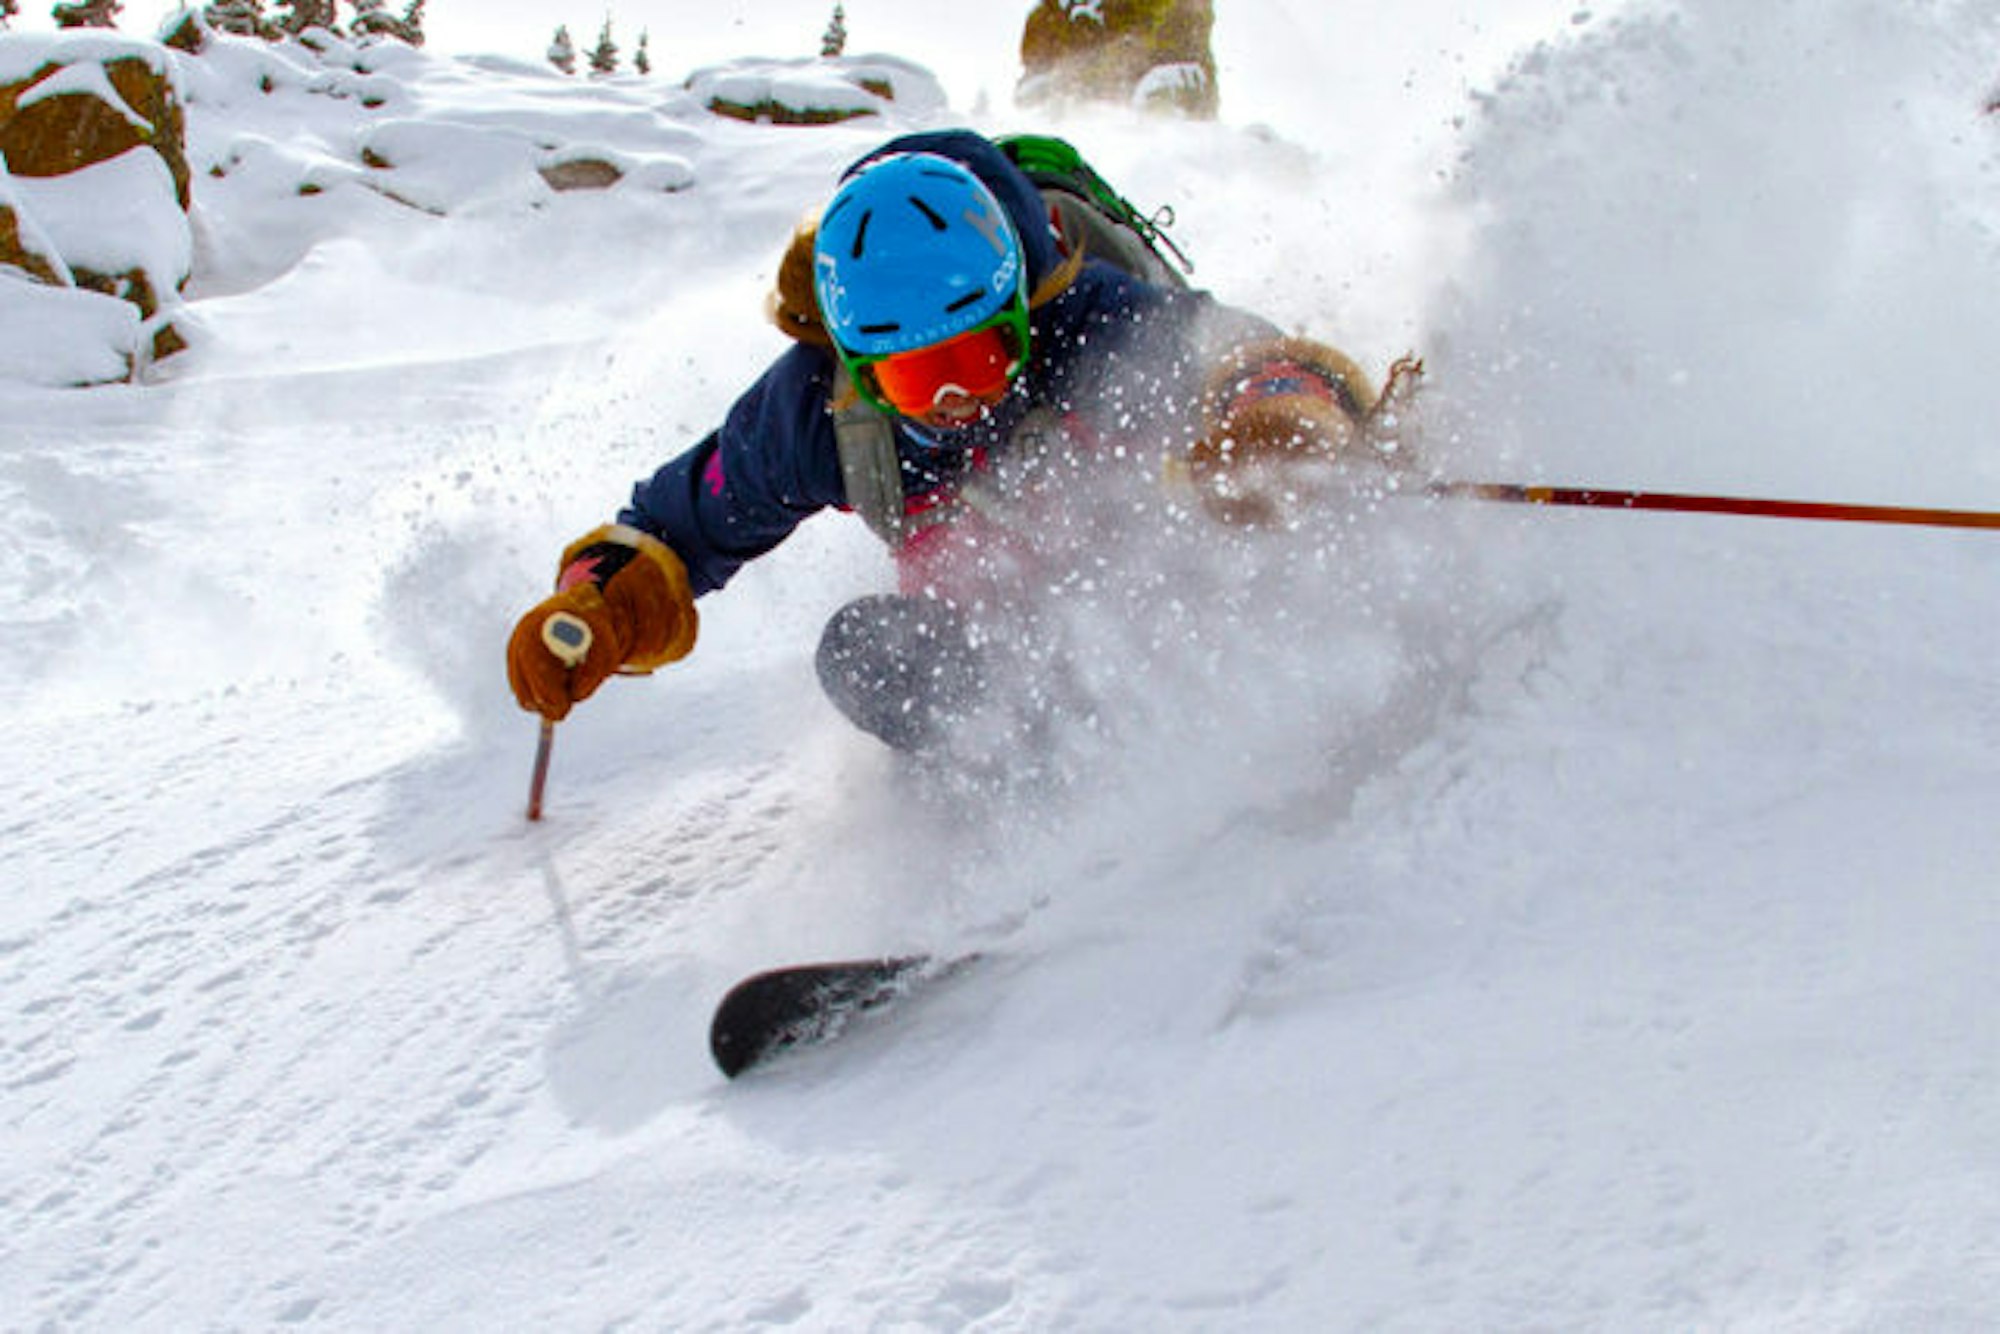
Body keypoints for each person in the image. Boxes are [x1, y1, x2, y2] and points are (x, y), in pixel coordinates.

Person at [506, 128, 1413, 756]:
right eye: (908, 376)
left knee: (1215, 567)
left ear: (1021, 315)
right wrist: (599, 610)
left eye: (979, 355)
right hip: (1001, 638)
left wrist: (1276, 420)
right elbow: (673, 527)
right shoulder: (814, 416)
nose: (949, 399)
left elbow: (1249, 354)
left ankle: (1190, 724)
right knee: (862, 652)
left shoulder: (1091, 323)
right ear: (858, 364)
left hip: (1146, 583)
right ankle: (1027, 770)